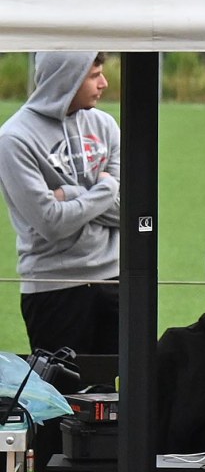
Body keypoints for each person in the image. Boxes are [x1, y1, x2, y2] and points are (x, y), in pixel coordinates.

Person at [0, 52, 120, 354]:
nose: (104, 84)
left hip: (116, 281)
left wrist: (69, 194)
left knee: (127, 384)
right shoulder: (13, 139)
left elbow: (128, 210)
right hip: (53, 289)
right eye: (94, 76)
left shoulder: (106, 125)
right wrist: (106, 188)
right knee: (64, 386)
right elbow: (51, 222)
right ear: (67, 78)